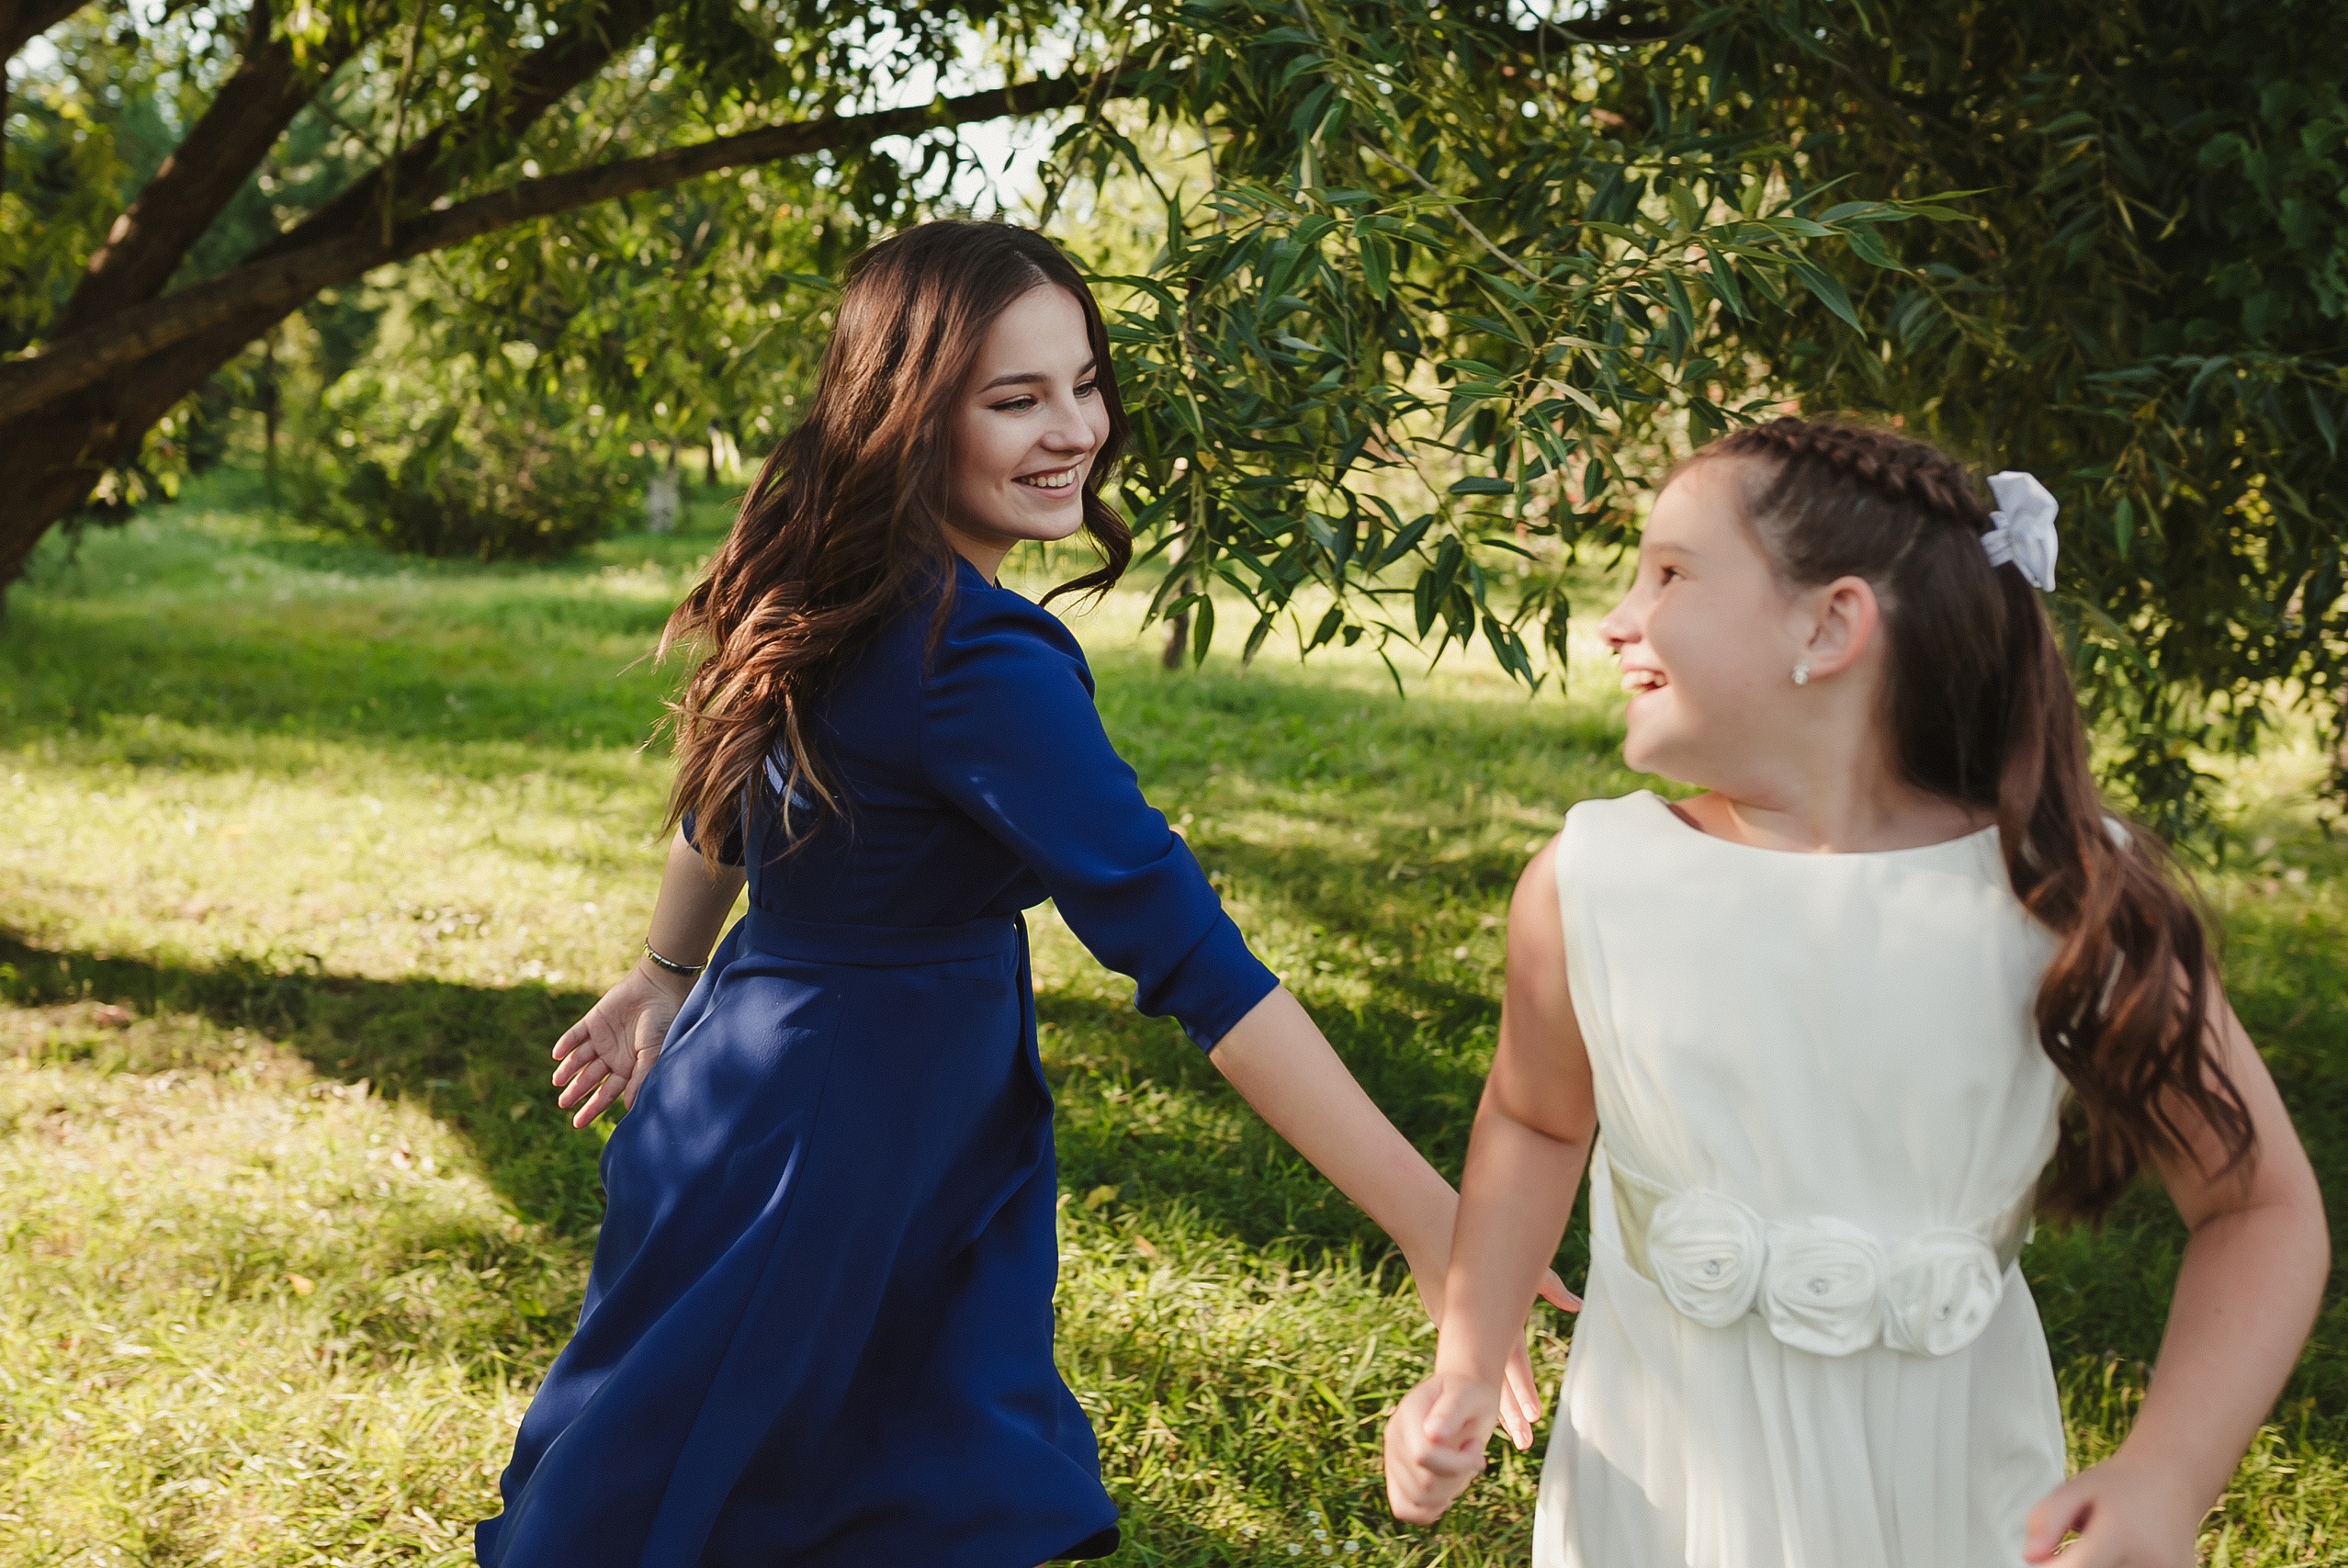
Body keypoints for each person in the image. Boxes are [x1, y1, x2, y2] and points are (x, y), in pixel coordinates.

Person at [472, 220, 1565, 1567]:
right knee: (739, 1505)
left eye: (1085, 382)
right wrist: (1434, 1221)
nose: (1075, 430)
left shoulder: (837, 566)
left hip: (775, 1086)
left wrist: (667, 974)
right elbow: (1194, 958)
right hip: (839, 1142)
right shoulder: (972, 654)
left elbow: (728, 786)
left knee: (781, 1494)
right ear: (910, 412)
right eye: (1016, 398)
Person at [1381, 418, 2331, 1566]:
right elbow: (1536, 1120)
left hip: (1947, 1499)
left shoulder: (2061, 899)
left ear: (1828, 625)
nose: (1617, 620)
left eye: (1670, 574)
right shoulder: (1593, 883)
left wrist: (2167, 1475)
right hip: (1659, 1500)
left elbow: (2257, 1208)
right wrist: (1469, 1361)